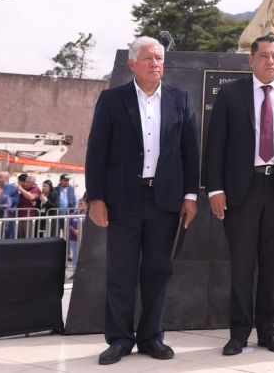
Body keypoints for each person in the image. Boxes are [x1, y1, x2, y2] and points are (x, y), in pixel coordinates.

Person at [85, 36, 200, 365]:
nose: (155, 63)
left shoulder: (180, 99)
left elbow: (190, 152)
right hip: (123, 200)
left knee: (157, 271)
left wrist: (190, 195)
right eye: (148, 58)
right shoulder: (112, 100)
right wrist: (96, 197)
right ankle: (120, 338)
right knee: (120, 272)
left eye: (159, 57)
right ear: (132, 64)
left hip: (165, 201)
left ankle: (151, 336)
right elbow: (96, 153)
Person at [203, 33, 274, 357]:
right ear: (250, 60)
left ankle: (268, 331)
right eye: (263, 55)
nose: (270, 61)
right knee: (241, 265)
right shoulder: (230, 94)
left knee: (272, 265)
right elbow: (214, 147)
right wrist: (216, 189)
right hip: (241, 191)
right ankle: (238, 333)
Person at [14, 173, 41, 238]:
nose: (26, 184)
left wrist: (21, 190)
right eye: (26, 182)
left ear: (33, 183)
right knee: (20, 236)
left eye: (29, 182)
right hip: (20, 216)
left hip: (29, 217)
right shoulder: (25, 189)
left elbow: (31, 197)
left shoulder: (36, 189)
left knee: (28, 236)